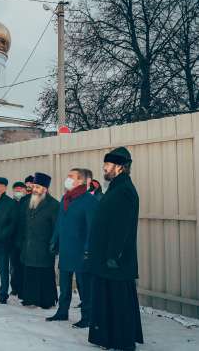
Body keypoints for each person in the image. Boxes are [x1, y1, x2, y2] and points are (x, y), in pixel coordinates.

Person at [88, 147, 143, 350]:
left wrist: (113, 255)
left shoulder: (125, 190)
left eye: (107, 164)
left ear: (119, 167)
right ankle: (108, 338)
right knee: (107, 299)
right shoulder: (116, 188)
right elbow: (109, 216)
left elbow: (122, 226)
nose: (104, 168)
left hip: (115, 260)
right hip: (106, 258)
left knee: (118, 301)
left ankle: (121, 340)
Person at [46, 168, 97, 328]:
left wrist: (89, 249)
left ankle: (87, 317)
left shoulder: (89, 201)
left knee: (84, 286)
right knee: (65, 284)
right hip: (66, 249)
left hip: (81, 251)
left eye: (71, 177)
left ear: (81, 181)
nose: (67, 179)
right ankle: (62, 312)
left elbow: (92, 228)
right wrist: (54, 240)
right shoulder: (65, 198)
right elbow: (60, 222)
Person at [20, 172, 59, 309]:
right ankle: (30, 298)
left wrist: (53, 245)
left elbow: (56, 228)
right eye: (34, 186)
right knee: (30, 272)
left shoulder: (53, 205)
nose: (34, 189)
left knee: (44, 274)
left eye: (38, 187)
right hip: (29, 246)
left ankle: (45, 300)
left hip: (44, 247)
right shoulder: (28, 202)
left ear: (45, 189)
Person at [10, 181, 27, 297]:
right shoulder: (11, 204)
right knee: (14, 266)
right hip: (12, 240)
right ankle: (15, 287)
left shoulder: (28, 203)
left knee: (23, 266)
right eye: (16, 190)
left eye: (20, 189)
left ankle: (23, 288)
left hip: (25, 240)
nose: (18, 192)